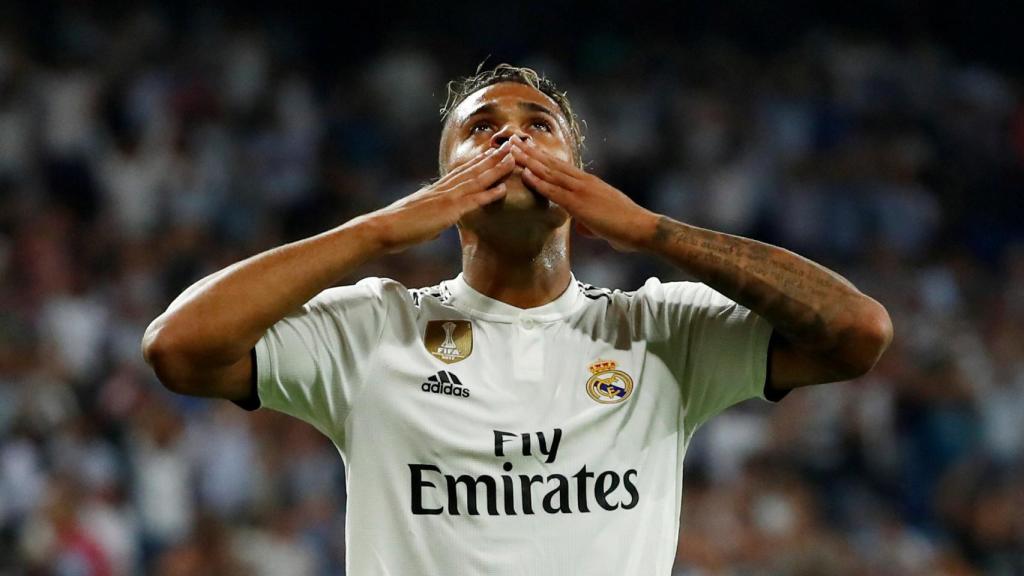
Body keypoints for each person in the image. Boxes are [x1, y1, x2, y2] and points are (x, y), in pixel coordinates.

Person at [142, 64, 893, 574]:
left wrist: (653, 232)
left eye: (539, 125)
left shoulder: (663, 331)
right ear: (446, 185)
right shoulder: (372, 330)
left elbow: (857, 333)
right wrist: (378, 231)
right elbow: (179, 348)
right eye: (481, 129)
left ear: (578, 175)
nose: (511, 137)